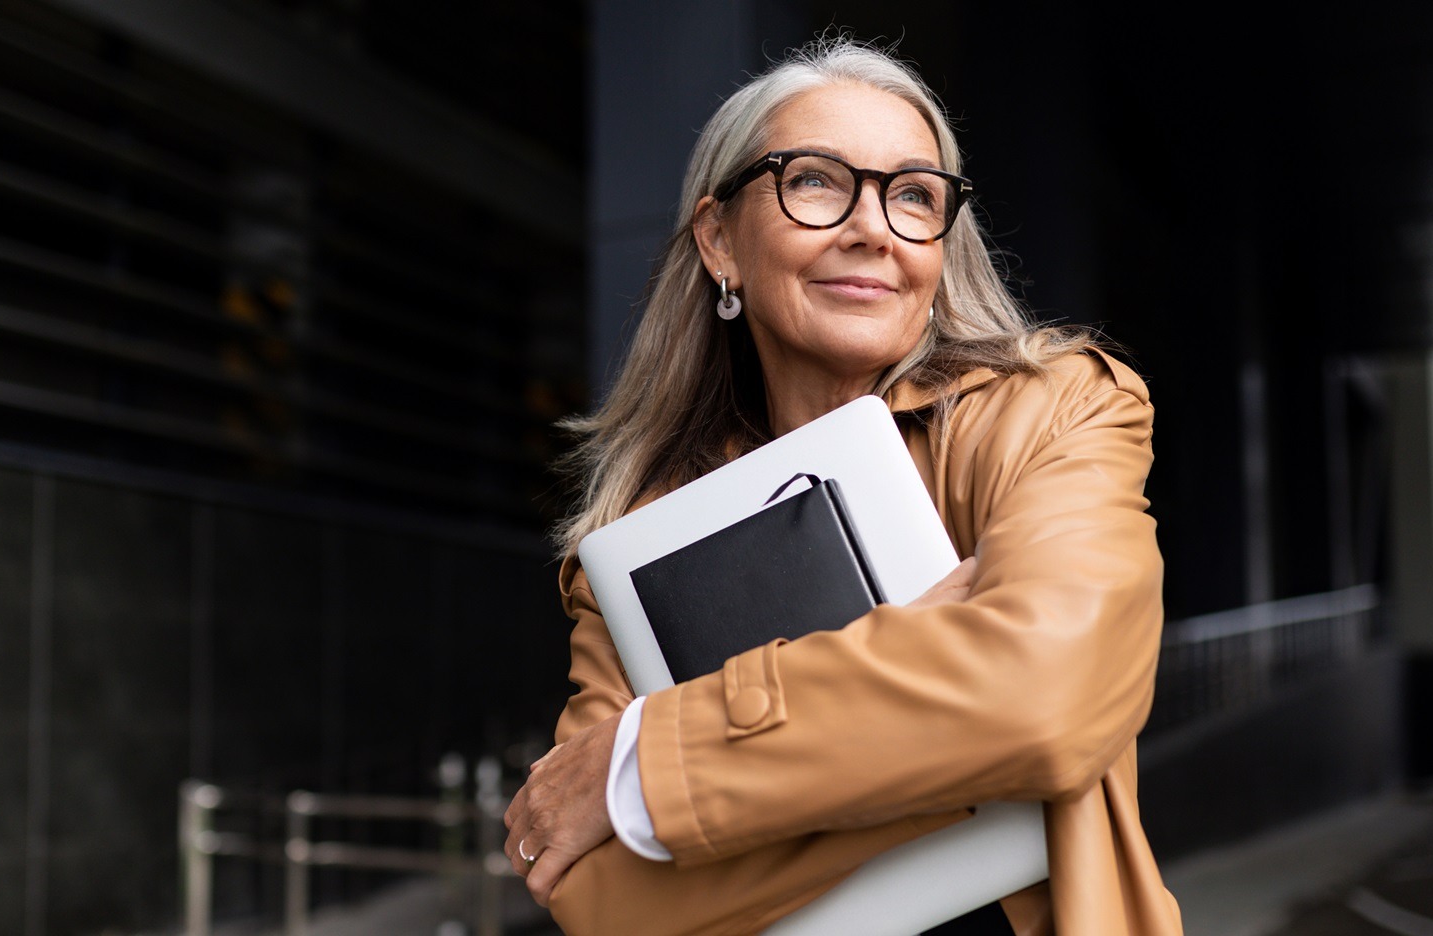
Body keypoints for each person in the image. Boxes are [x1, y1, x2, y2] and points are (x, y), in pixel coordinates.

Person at [505, 37, 1182, 936]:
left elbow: (1046, 702)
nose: (872, 227)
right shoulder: (637, 541)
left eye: (913, 196)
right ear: (719, 240)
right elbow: (603, 901)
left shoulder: (1054, 412)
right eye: (817, 180)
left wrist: (646, 769)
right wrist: (952, 730)